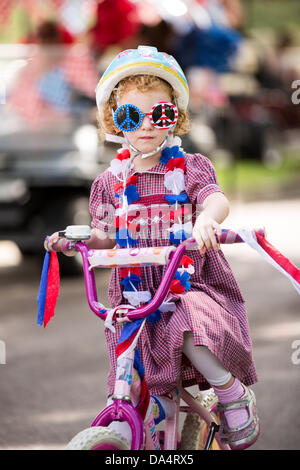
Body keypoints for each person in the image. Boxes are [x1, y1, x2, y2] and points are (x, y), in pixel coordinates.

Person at [48, 45, 260, 450]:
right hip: (133, 292)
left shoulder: (189, 166)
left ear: (174, 119)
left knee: (185, 321)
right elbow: (105, 234)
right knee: (132, 367)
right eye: (131, 116)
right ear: (115, 121)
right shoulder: (109, 183)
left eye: (158, 115)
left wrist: (205, 220)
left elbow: (216, 199)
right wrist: (78, 242)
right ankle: (128, 431)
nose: (145, 125)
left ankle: (231, 392)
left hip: (187, 285)